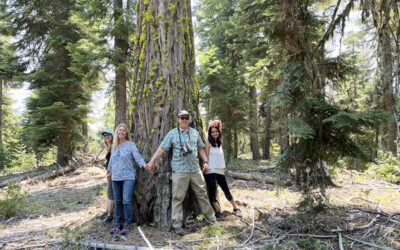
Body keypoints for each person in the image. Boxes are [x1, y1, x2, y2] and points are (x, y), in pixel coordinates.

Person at [146, 110, 216, 235]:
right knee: (177, 198)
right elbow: (162, 148)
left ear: (189, 119)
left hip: (195, 170)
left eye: (186, 118)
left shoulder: (194, 133)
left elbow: (200, 148)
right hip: (179, 171)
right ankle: (177, 225)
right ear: (178, 119)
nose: (184, 120)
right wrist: (152, 161)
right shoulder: (172, 133)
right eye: (182, 118)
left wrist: (206, 162)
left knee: (202, 194)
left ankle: (211, 219)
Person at [107, 123, 151, 235]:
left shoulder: (131, 145)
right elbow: (111, 161)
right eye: (119, 130)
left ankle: (127, 224)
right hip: (115, 177)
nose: (121, 132)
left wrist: (145, 165)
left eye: (123, 130)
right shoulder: (114, 146)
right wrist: (109, 172)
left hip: (128, 176)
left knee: (126, 200)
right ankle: (117, 223)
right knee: (117, 201)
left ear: (126, 133)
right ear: (117, 132)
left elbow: (137, 157)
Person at [204, 120, 239, 220]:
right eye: (212, 132)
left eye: (216, 131)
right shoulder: (208, 141)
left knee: (226, 189)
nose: (215, 133)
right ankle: (217, 212)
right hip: (210, 170)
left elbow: (220, 128)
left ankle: (235, 208)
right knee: (212, 191)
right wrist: (205, 164)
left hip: (220, 170)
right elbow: (206, 155)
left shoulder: (220, 141)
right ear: (210, 133)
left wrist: (218, 123)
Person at [102, 128, 115, 223]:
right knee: (109, 193)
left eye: (108, 135)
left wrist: (110, 172)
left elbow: (114, 161)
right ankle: (106, 211)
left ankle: (110, 215)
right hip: (109, 173)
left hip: (113, 173)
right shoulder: (109, 146)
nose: (106, 137)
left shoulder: (114, 146)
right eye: (105, 135)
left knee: (111, 194)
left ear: (112, 135)